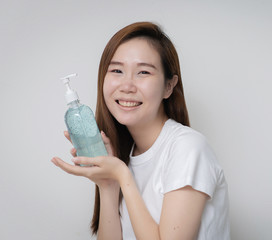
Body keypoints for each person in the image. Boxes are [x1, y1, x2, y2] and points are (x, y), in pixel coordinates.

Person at [51, 21, 230, 240]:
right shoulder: (125, 154)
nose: (127, 86)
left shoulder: (187, 148)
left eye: (143, 72)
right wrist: (108, 185)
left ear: (168, 86)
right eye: (117, 70)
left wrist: (122, 175)